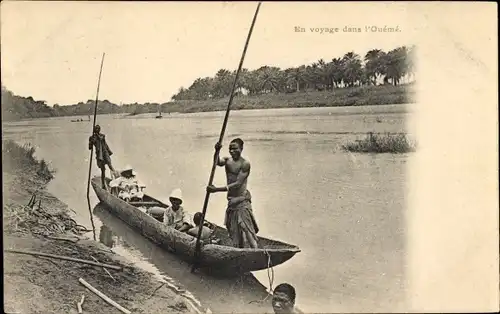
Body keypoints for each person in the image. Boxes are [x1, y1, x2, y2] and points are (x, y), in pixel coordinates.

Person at [206, 138, 259, 249]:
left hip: (241, 199)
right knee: (234, 231)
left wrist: (216, 189)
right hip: (231, 200)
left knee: (245, 226)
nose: (232, 151)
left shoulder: (245, 164)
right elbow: (216, 162)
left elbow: (238, 184)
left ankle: (255, 250)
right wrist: (216, 150)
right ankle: (241, 251)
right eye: (230, 148)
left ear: (241, 149)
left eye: (235, 148)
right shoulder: (227, 160)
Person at [88, 125, 116, 189]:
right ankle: (103, 184)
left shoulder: (102, 136)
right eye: (96, 129)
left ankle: (115, 178)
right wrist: (91, 142)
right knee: (103, 169)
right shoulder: (92, 138)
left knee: (110, 165)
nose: (97, 130)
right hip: (99, 155)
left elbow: (105, 144)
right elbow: (90, 148)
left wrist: (109, 151)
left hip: (104, 152)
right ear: (94, 130)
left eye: (98, 129)